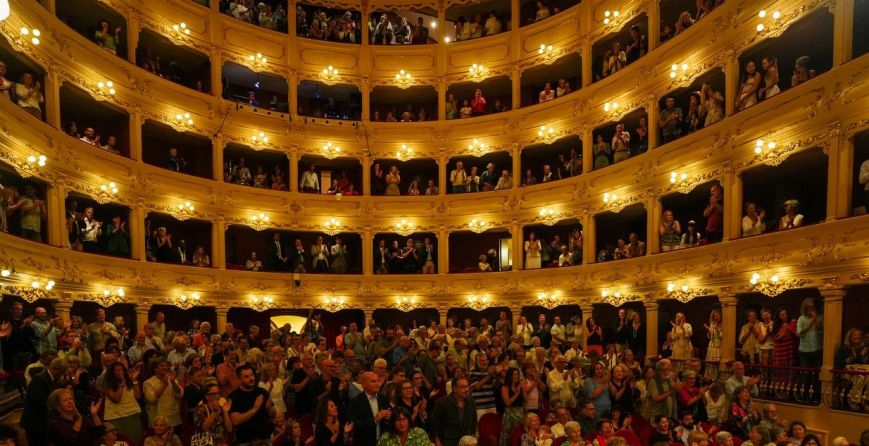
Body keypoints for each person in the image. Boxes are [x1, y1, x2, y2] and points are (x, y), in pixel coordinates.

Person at [229, 364, 273, 444]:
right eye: (246, 376)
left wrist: (271, 408)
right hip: (246, 440)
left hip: (264, 437)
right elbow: (235, 421)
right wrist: (254, 409)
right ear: (239, 379)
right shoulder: (234, 396)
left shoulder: (262, 391)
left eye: (252, 375)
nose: (251, 378)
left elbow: (271, 411)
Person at [431, 377, 477, 446]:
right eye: (463, 387)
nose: (467, 389)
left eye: (467, 386)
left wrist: (473, 436)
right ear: (454, 389)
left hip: (466, 440)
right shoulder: (442, 403)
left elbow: (474, 421)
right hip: (449, 440)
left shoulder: (471, 401)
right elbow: (435, 424)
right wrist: (438, 442)